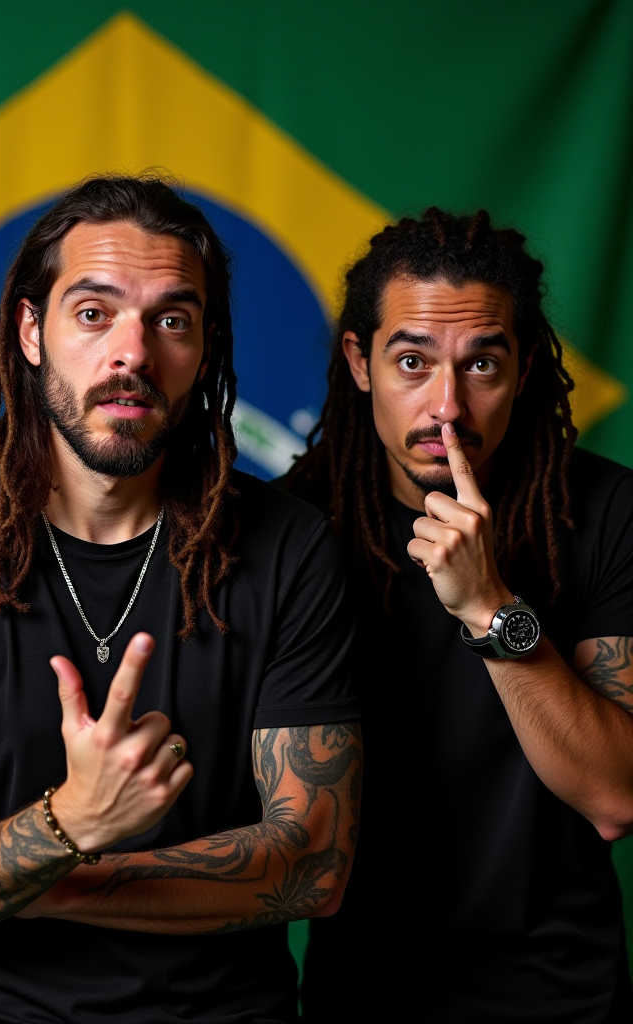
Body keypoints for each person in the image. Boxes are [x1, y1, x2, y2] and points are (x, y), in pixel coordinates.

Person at [0, 175, 362, 1023]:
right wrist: (71, 817)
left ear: (205, 346)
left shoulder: (291, 551)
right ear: (30, 331)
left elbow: (311, 866)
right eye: (94, 313)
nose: (133, 355)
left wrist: (39, 877)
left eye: (171, 320)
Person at [279, 208, 633, 1023]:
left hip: (562, 994)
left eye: (482, 365)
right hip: (360, 992)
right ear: (359, 362)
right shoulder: (292, 530)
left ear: (527, 368)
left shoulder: (606, 511)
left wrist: (490, 606)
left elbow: (616, 797)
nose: (447, 406)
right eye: (412, 362)